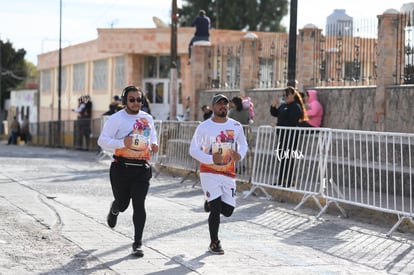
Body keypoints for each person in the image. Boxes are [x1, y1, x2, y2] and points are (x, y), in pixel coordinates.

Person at [97, 85, 159, 257]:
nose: (136, 103)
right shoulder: (117, 118)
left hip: (141, 168)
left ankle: (137, 243)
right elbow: (102, 141)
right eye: (132, 99)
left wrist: (154, 144)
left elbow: (152, 135)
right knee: (123, 204)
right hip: (121, 168)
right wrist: (122, 143)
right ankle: (115, 207)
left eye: (139, 99)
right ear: (125, 101)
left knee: (139, 204)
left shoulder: (147, 118)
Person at [189, 94, 248, 255]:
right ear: (213, 107)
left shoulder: (236, 126)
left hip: (228, 172)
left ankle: (209, 202)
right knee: (216, 209)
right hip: (209, 171)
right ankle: (214, 242)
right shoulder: (204, 127)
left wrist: (239, 155)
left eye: (225, 104)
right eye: (219, 104)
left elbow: (243, 145)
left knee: (228, 210)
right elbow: (193, 149)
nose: (223, 106)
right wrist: (209, 158)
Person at [270, 86, 308, 187]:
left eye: (286, 95)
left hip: (291, 136)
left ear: (292, 95)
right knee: (282, 158)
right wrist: (273, 106)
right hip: (282, 135)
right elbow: (276, 114)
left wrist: (278, 125)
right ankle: (281, 179)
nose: (284, 97)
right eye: (283, 95)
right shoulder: (284, 105)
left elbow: (291, 121)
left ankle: (288, 180)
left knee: (289, 159)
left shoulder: (295, 106)